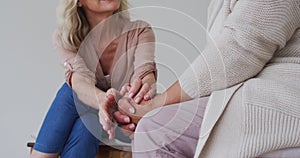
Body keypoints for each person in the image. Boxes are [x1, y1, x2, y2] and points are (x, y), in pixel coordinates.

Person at [115, 0, 300, 157]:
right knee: (156, 121)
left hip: (281, 98)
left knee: (155, 128)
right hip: (251, 93)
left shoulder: (138, 29)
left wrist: (153, 105)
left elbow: (239, 51)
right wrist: (140, 104)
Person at [31, 0, 157, 157]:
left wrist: (141, 92)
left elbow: (145, 73)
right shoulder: (66, 37)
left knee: (77, 103)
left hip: (124, 115)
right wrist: (105, 101)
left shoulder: (139, 30)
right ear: (79, 2)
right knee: (85, 119)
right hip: (88, 109)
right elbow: (79, 80)